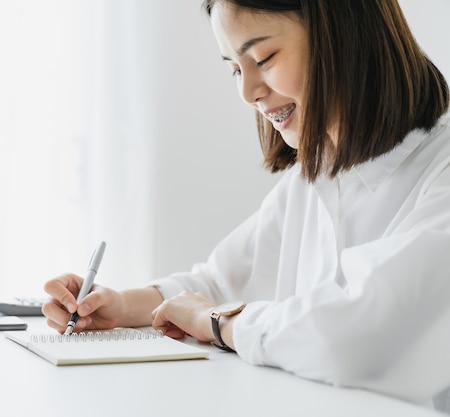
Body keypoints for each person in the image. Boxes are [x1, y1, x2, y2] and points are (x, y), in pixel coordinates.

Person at [42, 0, 450, 412]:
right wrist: (119, 307)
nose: (247, 92)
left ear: (345, 35)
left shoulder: (440, 173)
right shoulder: (313, 179)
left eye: (263, 58)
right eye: (236, 68)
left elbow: (355, 338)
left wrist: (218, 323)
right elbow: (221, 282)